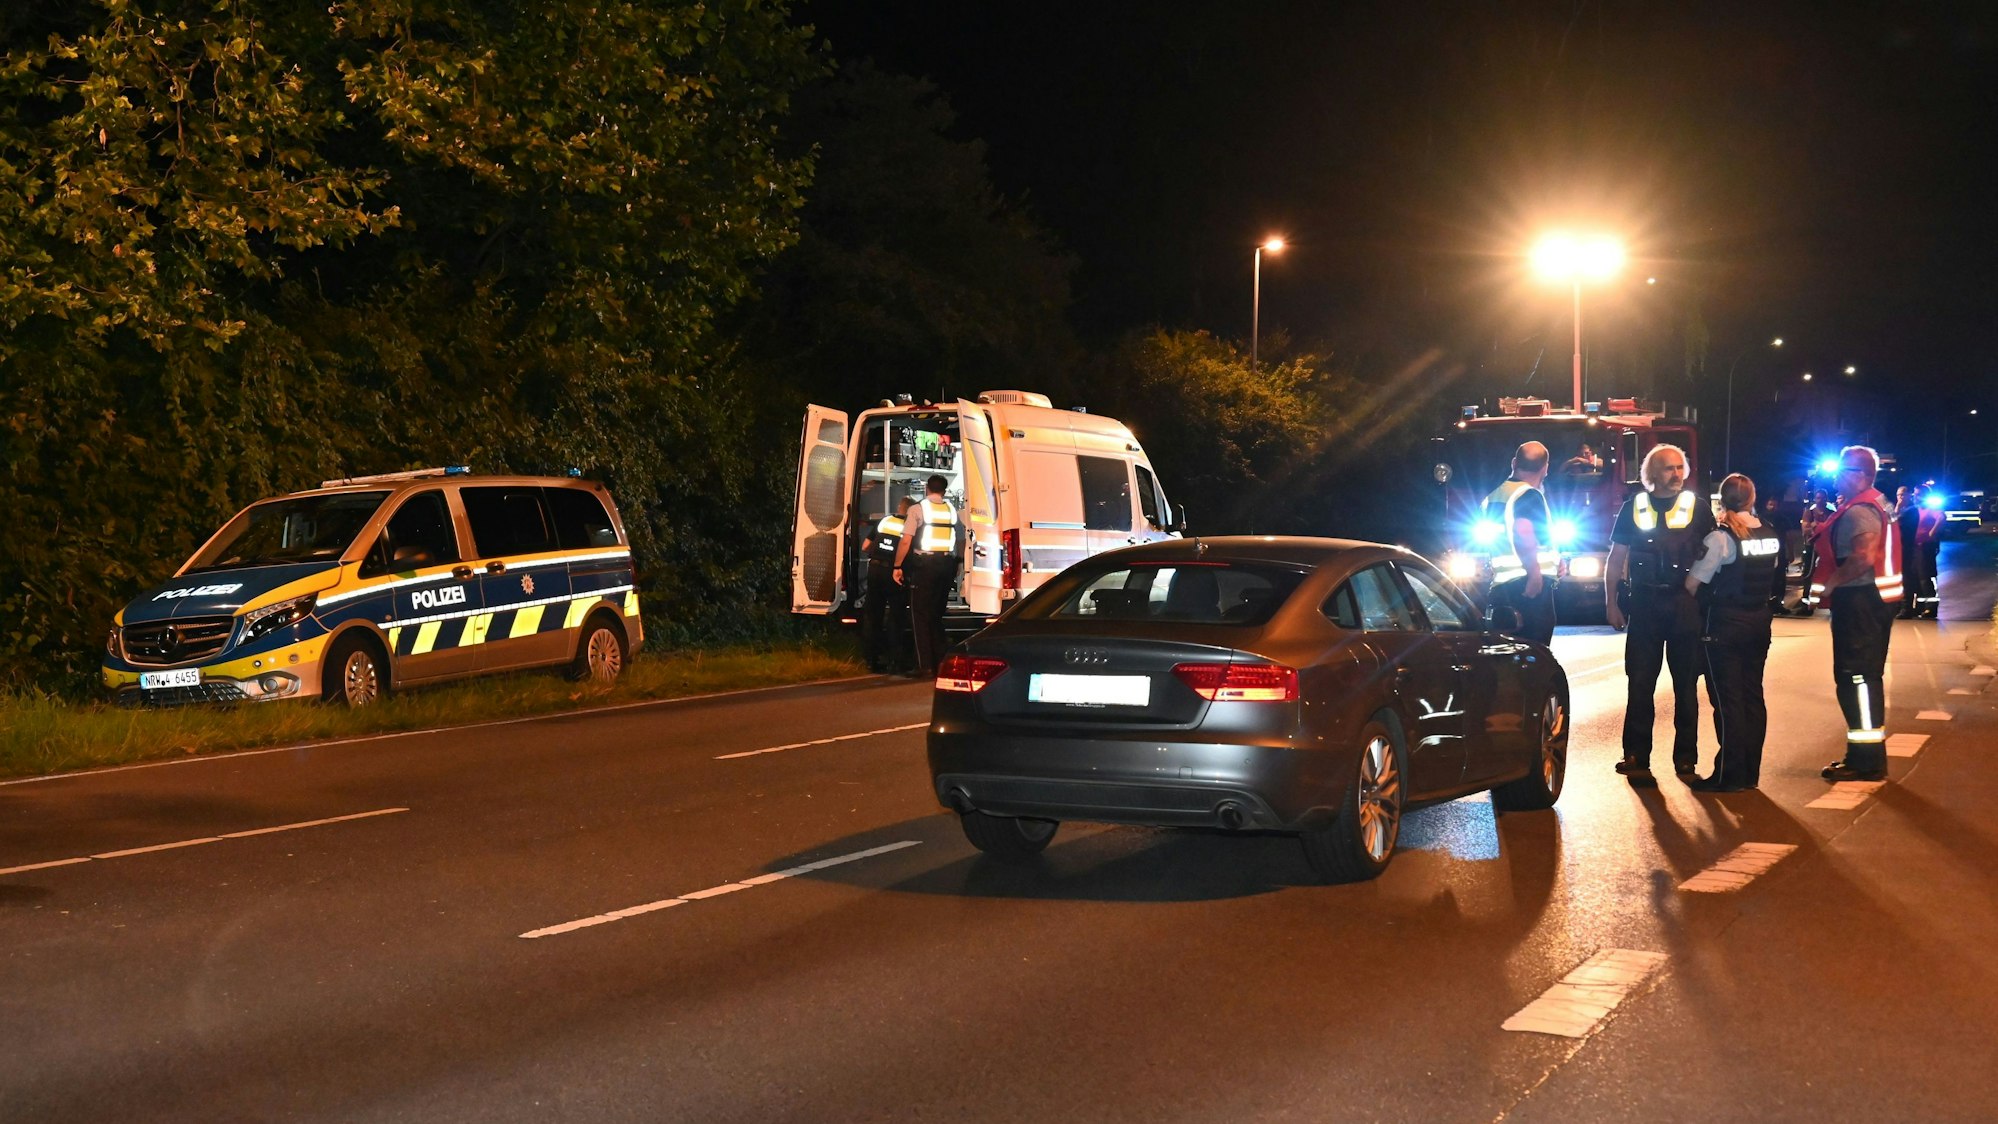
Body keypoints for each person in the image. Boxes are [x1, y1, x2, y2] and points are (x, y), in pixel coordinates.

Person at [1605, 443, 1716, 785]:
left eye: (1680, 468)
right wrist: (1610, 602)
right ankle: (1636, 755)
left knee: (1686, 686)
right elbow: (1616, 557)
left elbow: (1715, 555)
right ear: (1651, 474)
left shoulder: (1697, 508)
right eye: (1669, 468)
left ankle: (1686, 759)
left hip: (1684, 604)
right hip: (1644, 605)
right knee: (1640, 684)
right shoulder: (1633, 507)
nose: (1677, 474)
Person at [1811, 446, 1904, 782]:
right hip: (1875, 601)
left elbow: (1863, 557)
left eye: (1841, 470)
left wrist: (1832, 584)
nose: (1835, 477)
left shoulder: (1859, 510)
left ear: (1860, 474)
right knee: (1863, 678)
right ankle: (1862, 756)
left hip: (1861, 602)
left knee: (1857, 680)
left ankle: (1866, 761)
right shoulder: (1877, 502)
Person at [1685, 474, 1781, 792]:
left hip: (1725, 625)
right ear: (1752, 498)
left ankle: (1727, 774)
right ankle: (1749, 773)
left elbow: (1693, 584)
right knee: (1753, 697)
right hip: (1759, 622)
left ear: (1723, 500)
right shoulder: (1768, 532)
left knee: (1728, 701)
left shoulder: (1721, 537)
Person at [1481, 441, 1557, 644]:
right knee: (1535, 654)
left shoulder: (1495, 496)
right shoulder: (1528, 494)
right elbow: (1522, 531)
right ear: (1545, 468)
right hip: (1527, 588)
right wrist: (1535, 574)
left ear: (1514, 463)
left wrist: (1557, 561)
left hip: (1502, 588)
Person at [894, 474, 961, 678]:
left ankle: (924, 666)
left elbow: (906, 541)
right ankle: (941, 663)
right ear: (944, 490)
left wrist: (897, 566)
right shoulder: (951, 510)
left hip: (925, 567)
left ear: (926, 489)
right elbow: (957, 538)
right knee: (936, 616)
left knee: (920, 615)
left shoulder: (917, 509)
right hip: (946, 565)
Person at [859, 497, 916, 673]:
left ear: (899, 508)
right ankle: (895, 661)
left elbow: (865, 546)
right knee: (896, 617)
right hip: (894, 573)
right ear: (911, 511)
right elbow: (908, 550)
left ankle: (870, 660)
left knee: (873, 615)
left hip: (875, 570)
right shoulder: (910, 527)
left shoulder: (885, 521)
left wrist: (879, 553)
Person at [1791, 489, 1832, 616]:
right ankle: (1806, 604)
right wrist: (1819, 526)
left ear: (1826, 499)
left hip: (1827, 548)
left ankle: (1830, 603)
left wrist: (1817, 526)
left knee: (1828, 575)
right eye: (1818, 498)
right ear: (1815, 499)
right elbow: (1806, 530)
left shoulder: (1831, 513)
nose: (1821, 500)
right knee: (1808, 575)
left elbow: (1834, 530)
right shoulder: (1809, 513)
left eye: (1823, 498)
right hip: (1812, 547)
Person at [1893, 487, 1924, 620]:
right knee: (1899, 578)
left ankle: (1907, 608)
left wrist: (1897, 508)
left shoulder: (1912, 511)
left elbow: (1894, 522)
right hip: (1898, 548)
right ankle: (1900, 606)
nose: (1900, 497)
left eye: (1902, 495)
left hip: (1907, 548)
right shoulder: (1902, 510)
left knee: (1906, 578)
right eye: (1898, 494)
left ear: (1908, 496)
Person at [1914, 492, 1944, 618]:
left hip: (1926, 547)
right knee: (1917, 577)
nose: (1916, 497)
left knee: (1926, 577)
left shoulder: (1931, 509)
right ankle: (1920, 607)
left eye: (1919, 494)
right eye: (1915, 494)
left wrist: (1932, 532)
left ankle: (1931, 608)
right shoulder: (1916, 509)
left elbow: (1941, 517)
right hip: (1915, 547)